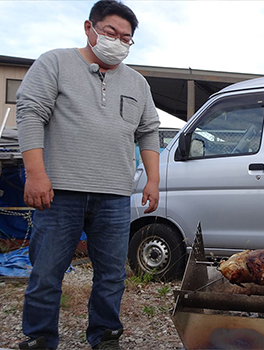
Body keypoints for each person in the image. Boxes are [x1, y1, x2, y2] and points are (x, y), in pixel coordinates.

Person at [15, 1, 160, 349]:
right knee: (47, 271)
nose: (118, 41)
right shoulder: (56, 62)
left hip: (114, 194)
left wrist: (152, 180)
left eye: (126, 38)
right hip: (59, 191)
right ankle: (39, 337)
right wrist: (35, 174)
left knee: (111, 275)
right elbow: (30, 112)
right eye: (111, 32)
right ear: (89, 27)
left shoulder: (137, 82)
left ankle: (106, 335)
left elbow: (149, 131)